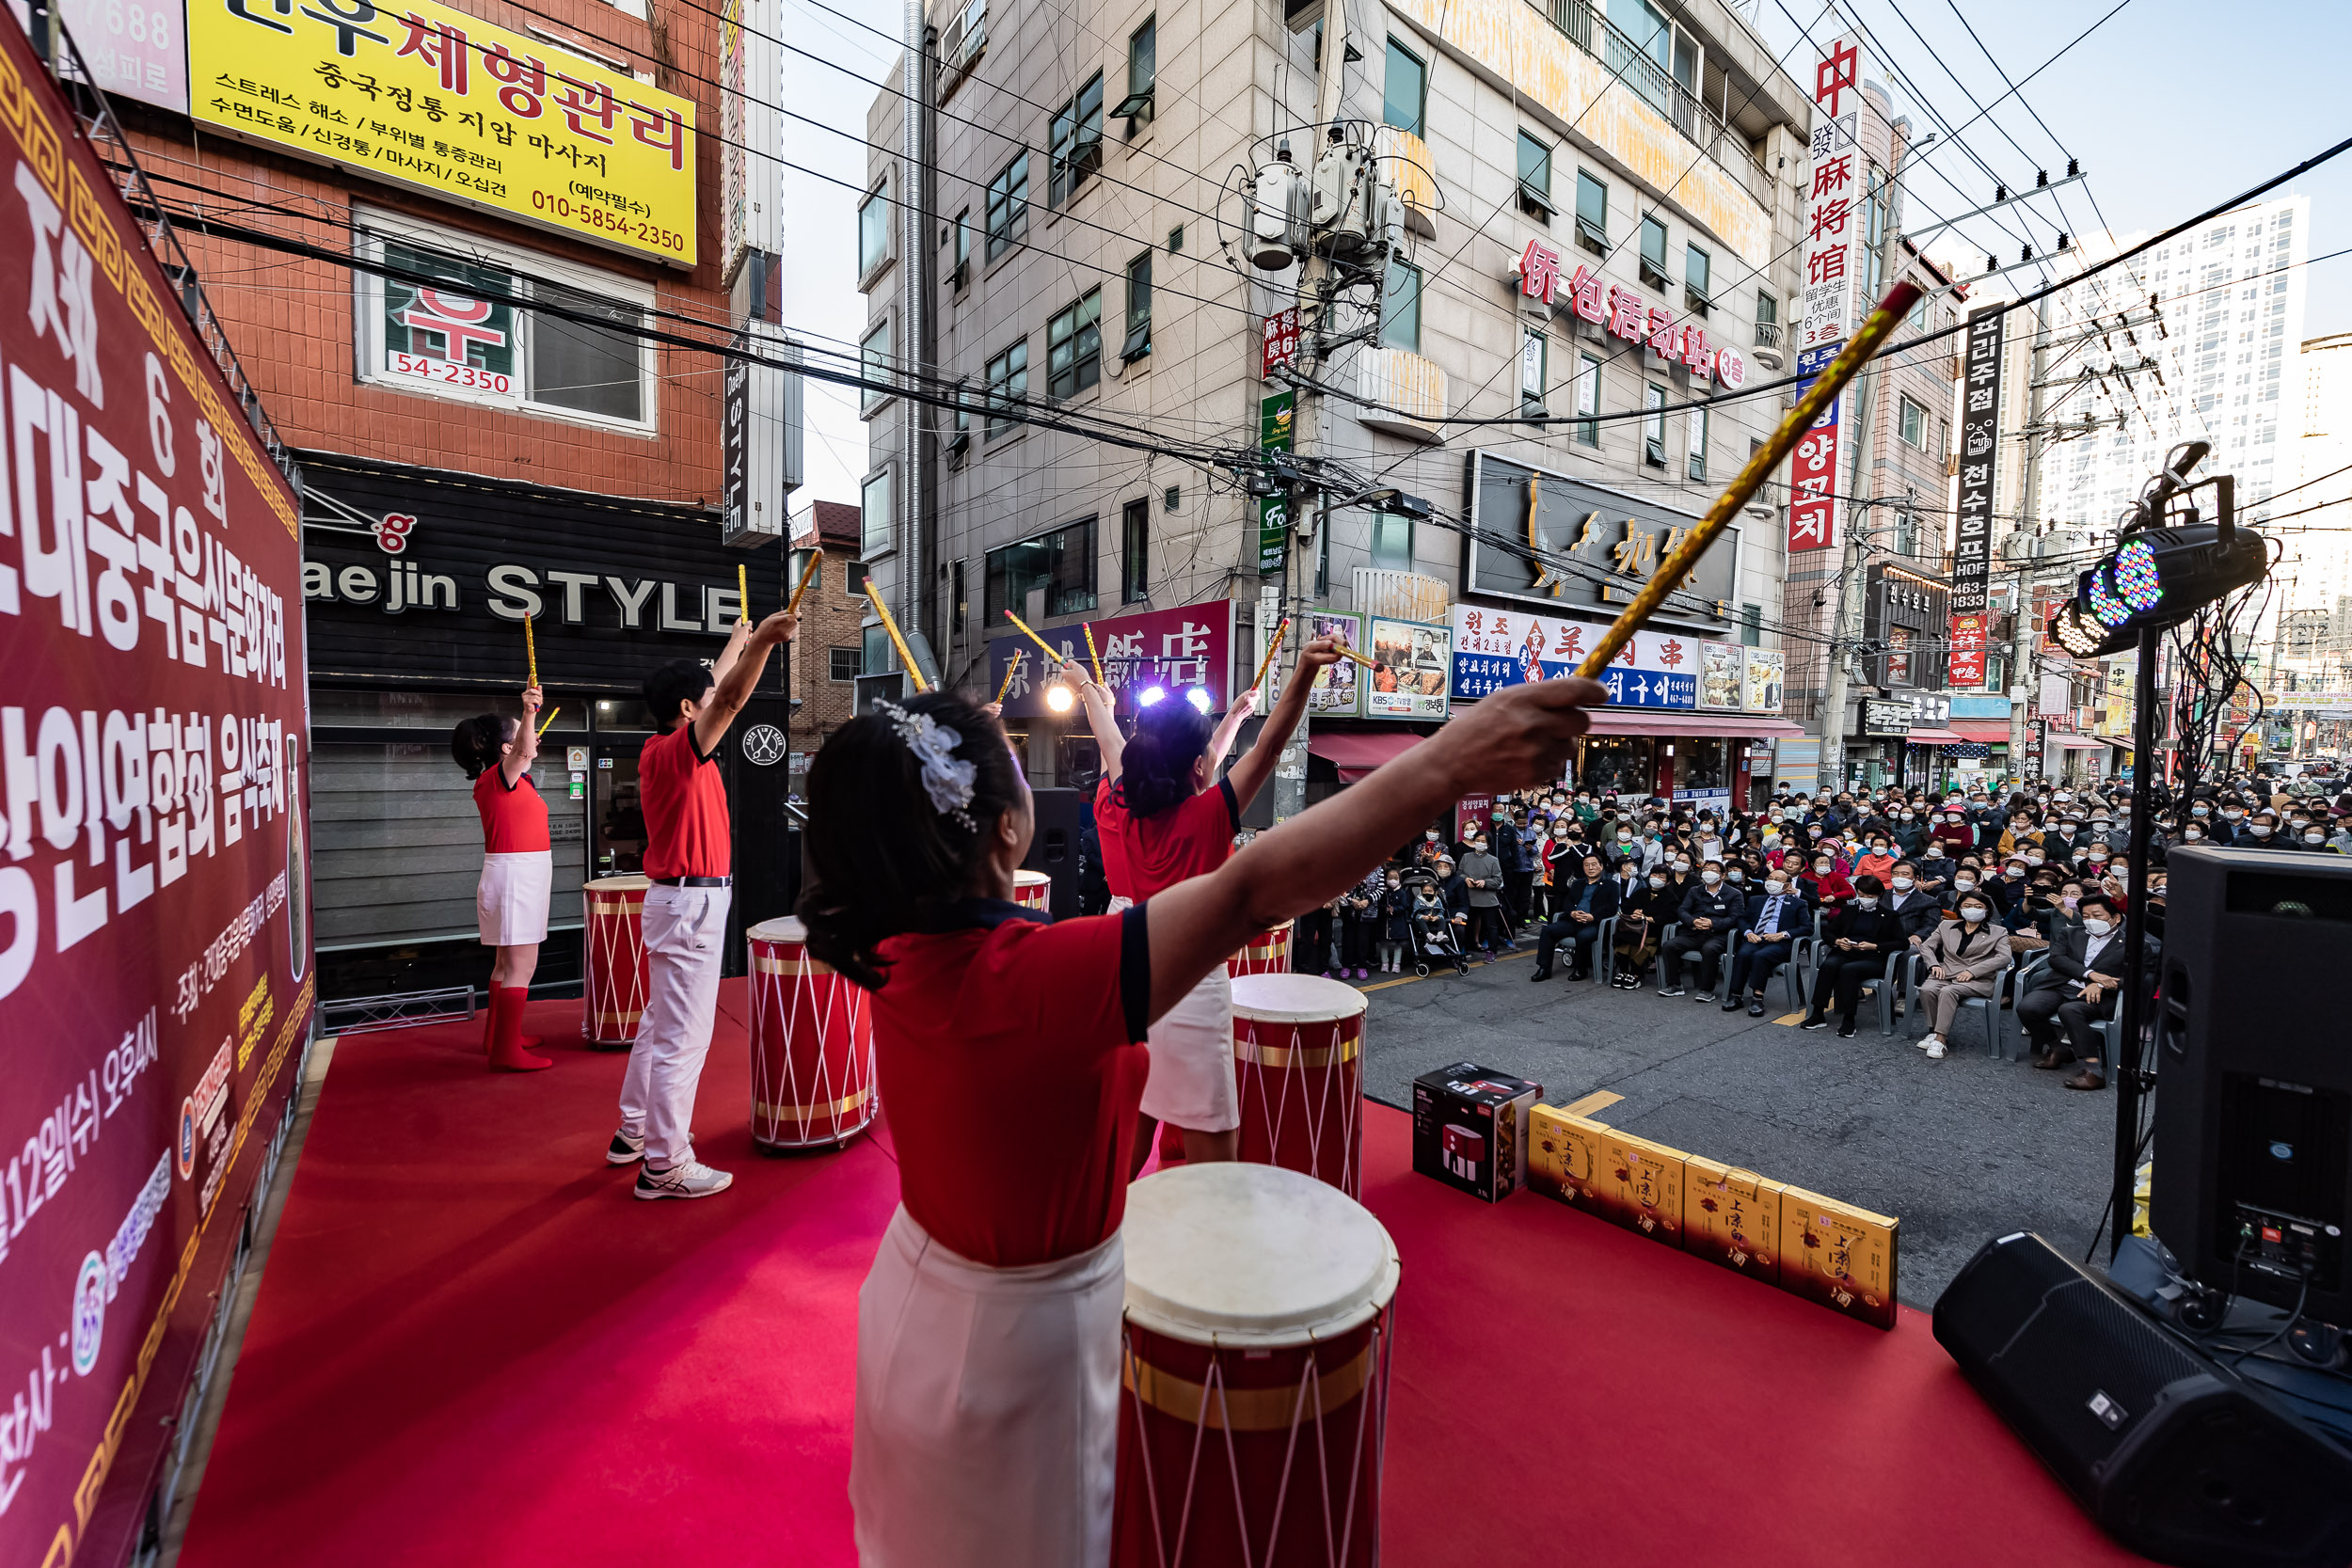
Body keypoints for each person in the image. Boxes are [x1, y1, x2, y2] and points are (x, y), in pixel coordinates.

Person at [798, 673, 1600, 1568]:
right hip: (1013, 1355)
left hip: (924, 1299)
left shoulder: (899, 947)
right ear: (1006, 828)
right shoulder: (1033, 984)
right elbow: (1252, 889)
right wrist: (1448, 760)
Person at [1090, 640, 1343, 1170]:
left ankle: (1108, 1223)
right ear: (1200, 767)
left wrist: (1086, 688)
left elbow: (1109, 734)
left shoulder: (1122, 806)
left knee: (1137, 1112)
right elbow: (1270, 747)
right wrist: (1301, 672)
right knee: (1212, 1142)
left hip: (1130, 970)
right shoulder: (1208, 820)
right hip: (1192, 982)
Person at [612, 608, 799, 1197]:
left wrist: (738, 640)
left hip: (677, 903)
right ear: (689, 711)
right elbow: (730, 701)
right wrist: (766, 643)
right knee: (682, 1038)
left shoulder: (657, 749)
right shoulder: (679, 752)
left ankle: (633, 1134)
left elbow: (716, 691)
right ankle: (665, 1164)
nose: (713, 698)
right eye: (703, 699)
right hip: (691, 907)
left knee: (658, 1029)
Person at [451, 684, 554, 1073]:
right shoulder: (500, 777)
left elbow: (526, 752)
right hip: (517, 878)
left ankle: (499, 1037)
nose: (533, 741)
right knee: (521, 967)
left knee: (503, 965)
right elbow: (527, 751)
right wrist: (529, 712)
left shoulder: (504, 780)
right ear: (507, 749)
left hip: (512, 875)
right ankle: (506, 1051)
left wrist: (526, 722)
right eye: (522, 735)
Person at [2017, 891, 2143, 1091]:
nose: (2091, 920)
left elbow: (2140, 977)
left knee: (2070, 1011)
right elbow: (2056, 959)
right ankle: (2057, 1047)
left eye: (2097, 915)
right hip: (2063, 985)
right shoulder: (2071, 933)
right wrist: (2091, 974)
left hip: (2099, 995)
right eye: (2086, 916)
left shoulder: (2133, 944)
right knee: (2028, 1007)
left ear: (2116, 917)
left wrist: (2102, 984)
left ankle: (2093, 1070)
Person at [1911, 893, 2013, 1060]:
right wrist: (1934, 964)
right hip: (1946, 972)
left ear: (1987, 910)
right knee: (1927, 989)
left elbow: (2004, 957)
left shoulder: (1998, 931)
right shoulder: (1946, 926)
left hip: (1978, 979)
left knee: (1948, 991)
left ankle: (1941, 1039)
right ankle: (1933, 1030)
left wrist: (1974, 971)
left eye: (1978, 907)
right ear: (1959, 908)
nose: (1972, 910)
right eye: (1967, 906)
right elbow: (1927, 946)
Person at [1799, 874, 1903, 1037]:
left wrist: (1875, 946)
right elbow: (1829, 932)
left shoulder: (1890, 915)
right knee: (1828, 965)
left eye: (1870, 896)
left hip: (1872, 958)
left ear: (1879, 896)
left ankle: (1849, 1019)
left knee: (1848, 970)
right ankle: (1818, 1013)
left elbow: (1902, 943)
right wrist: (1838, 941)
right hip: (1846, 952)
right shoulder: (1849, 911)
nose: (1865, 899)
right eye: (1861, 895)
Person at [1723, 868, 1809, 1016]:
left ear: (1787, 886)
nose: (1772, 882)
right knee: (1743, 953)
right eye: (1770, 878)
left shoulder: (1798, 904)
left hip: (1779, 942)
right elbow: (1742, 919)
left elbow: (1807, 927)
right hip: (1757, 938)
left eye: (1777, 880)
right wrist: (1748, 932)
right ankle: (1736, 994)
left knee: (1761, 956)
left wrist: (1782, 935)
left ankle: (1758, 997)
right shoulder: (1756, 900)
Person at [1658, 862, 1740, 998]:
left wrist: (1712, 923)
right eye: (1706, 869)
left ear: (1722, 875)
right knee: (1669, 945)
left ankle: (1707, 990)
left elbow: (1734, 917)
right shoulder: (1695, 890)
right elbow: (1682, 910)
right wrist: (1693, 921)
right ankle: (1674, 985)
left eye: (1713, 870)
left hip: (1718, 934)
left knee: (1709, 949)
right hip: (1694, 931)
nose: (1709, 872)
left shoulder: (1734, 894)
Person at [1528, 854, 1613, 981]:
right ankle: (1544, 968)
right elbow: (1567, 902)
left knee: (1583, 936)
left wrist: (1592, 916)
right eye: (1587, 865)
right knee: (1547, 930)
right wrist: (1572, 913)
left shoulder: (1610, 885)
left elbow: (1611, 907)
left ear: (1601, 867)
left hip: (1594, 923)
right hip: (1574, 921)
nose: (1590, 868)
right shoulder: (1578, 884)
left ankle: (1580, 969)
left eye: (1594, 864)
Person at [1456, 834, 1511, 957]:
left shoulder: (1493, 860)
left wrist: (1485, 882)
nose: (1480, 843)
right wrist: (1466, 879)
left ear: (1488, 845)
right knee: (1467, 924)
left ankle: (1492, 951)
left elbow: (1498, 880)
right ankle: (1465, 948)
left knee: (1491, 926)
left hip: (1488, 898)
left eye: (1483, 841)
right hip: (1469, 897)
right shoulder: (1466, 857)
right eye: (1477, 841)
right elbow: (1459, 873)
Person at [1376, 867, 1411, 974]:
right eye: (1390, 877)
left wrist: (1395, 909)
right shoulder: (1383, 892)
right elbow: (1379, 904)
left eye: (1395, 877)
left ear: (1399, 879)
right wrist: (1385, 908)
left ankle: (1396, 963)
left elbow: (1404, 905)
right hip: (1385, 921)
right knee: (1384, 944)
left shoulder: (1402, 892)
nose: (1393, 880)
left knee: (1398, 944)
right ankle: (1384, 963)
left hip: (1398, 921)